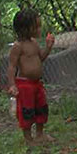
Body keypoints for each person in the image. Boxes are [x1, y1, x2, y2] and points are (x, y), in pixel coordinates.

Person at [8, 8, 54, 146]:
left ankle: (40, 134)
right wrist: (12, 84)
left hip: (37, 83)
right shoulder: (18, 46)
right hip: (25, 85)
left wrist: (48, 47)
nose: (40, 29)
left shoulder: (34, 43)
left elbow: (41, 58)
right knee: (26, 111)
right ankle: (28, 138)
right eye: (37, 26)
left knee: (41, 108)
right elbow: (12, 66)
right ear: (25, 29)